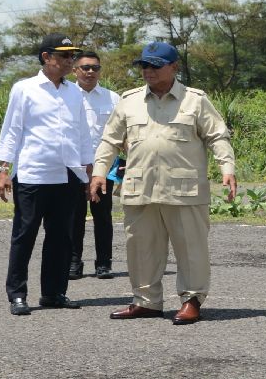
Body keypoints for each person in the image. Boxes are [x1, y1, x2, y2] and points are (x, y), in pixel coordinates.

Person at [90, 41, 236, 326]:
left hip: (184, 189)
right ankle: (146, 302)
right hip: (139, 187)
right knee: (141, 248)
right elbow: (110, 140)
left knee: (191, 249)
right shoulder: (129, 100)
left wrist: (227, 168)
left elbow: (217, 136)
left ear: (174, 67)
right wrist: (98, 173)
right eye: (144, 65)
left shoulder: (195, 100)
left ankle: (191, 300)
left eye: (155, 66)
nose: (148, 71)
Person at [0, 33, 94, 316]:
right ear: (46, 57)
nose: (69, 61)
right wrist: (4, 169)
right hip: (33, 174)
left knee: (61, 237)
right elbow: (12, 130)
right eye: (63, 55)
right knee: (24, 235)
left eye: (71, 56)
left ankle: (53, 293)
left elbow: (82, 133)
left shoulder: (74, 92)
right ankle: (17, 294)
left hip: (68, 175)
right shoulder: (25, 89)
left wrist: (88, 170)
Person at [70, 51, 120, 280]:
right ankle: (73, 262)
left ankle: (103, 263)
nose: (90, 72)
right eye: (85, 67)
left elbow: (122, 136)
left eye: (95, 68)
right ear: (75, 70)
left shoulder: (113, 99)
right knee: (74, 216)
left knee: (103, 216)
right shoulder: (67, 96)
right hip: (74, 167)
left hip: (105, 167)